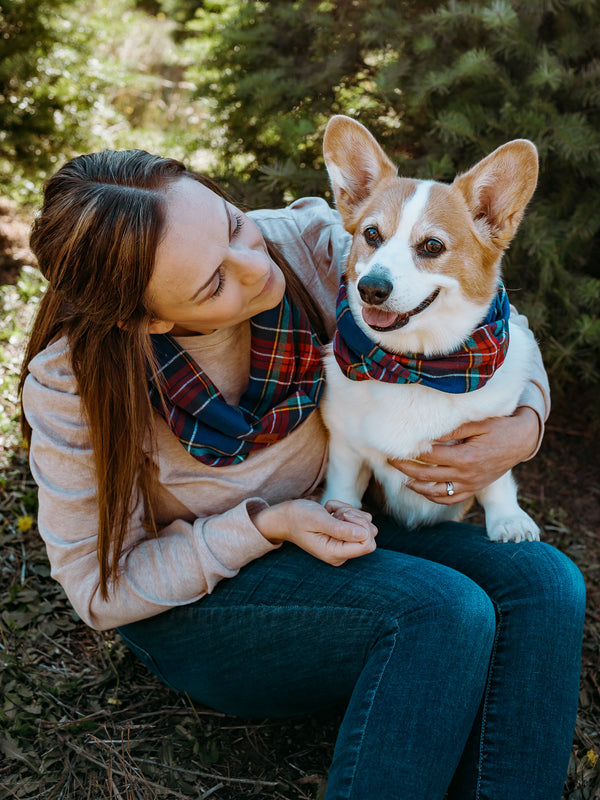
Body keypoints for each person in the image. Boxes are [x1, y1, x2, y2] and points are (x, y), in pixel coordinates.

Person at [20, 148, 585, 800]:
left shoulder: (320, 245)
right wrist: (270, 525)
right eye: (214, 284)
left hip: (341, 518)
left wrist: (524, 426)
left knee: (545, 582)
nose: (257, 268)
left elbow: (493, 319)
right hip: (209, 597)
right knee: (445, 612)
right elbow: (100, 587)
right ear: (150, 319)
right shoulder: (73, 387)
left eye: (235, 225)